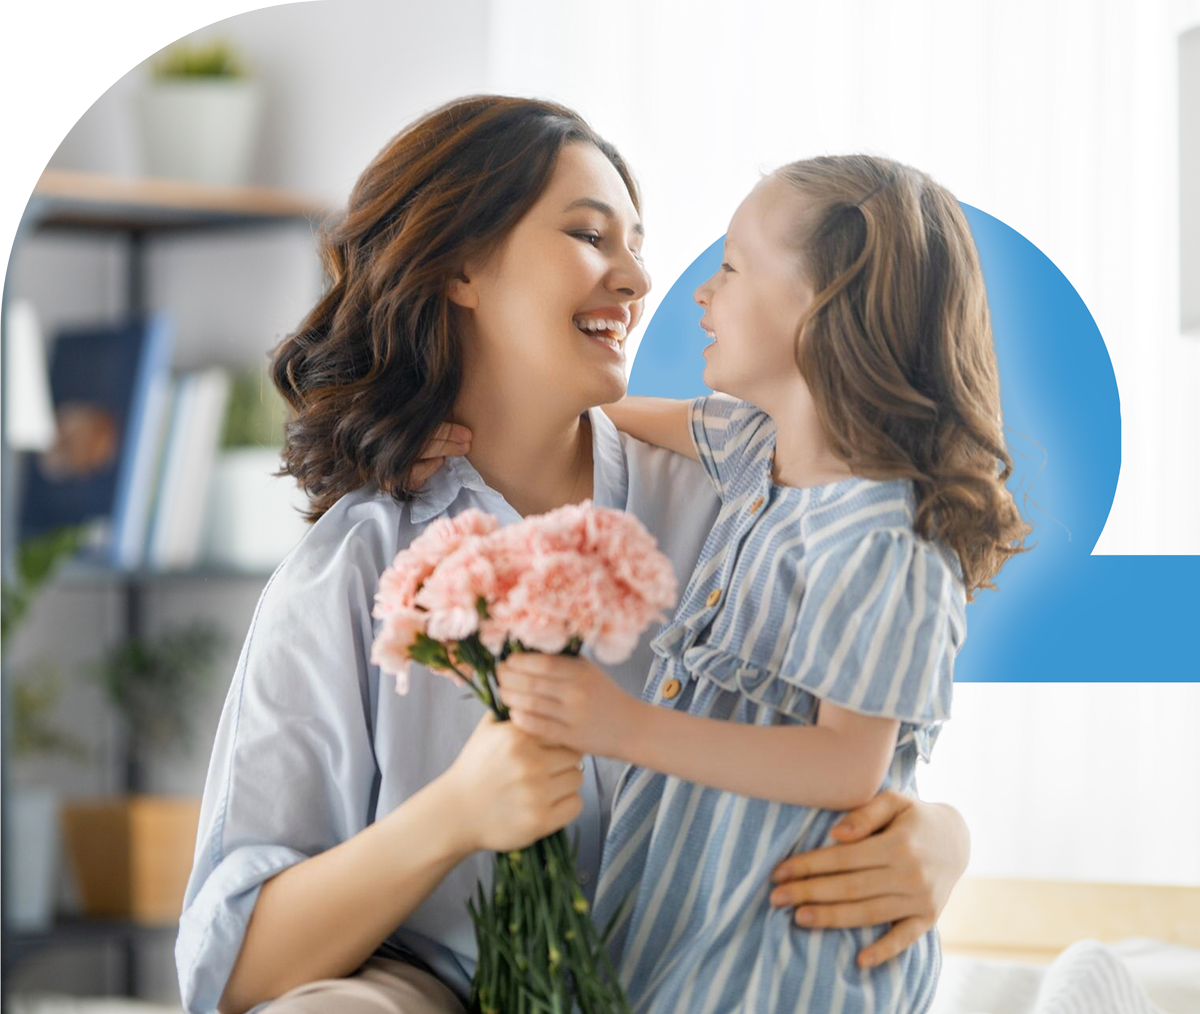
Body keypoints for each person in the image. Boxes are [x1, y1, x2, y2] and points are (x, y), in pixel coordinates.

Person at [175, 98, 972, 1014]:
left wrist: (942, 837)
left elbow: (868, 725)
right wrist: (455, 815)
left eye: (639, 243)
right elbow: (229, 973)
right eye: (592, 235)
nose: (637, 279)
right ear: (460, 265)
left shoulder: (744, 505)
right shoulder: (357, 565)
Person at [493, 155, 1032, 1013]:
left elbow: (847, 763)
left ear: (821, 307)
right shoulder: (755, 450)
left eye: (732, 266)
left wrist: (623, 726)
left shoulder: (885, 534)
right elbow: (603, 416)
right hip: (699, 912)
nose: (702, 293)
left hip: (796, 950)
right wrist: (472, 417)